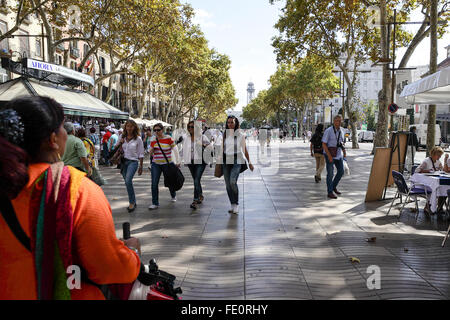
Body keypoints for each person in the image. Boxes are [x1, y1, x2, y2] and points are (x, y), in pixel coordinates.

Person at [0, 97, 141, 300]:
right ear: (53, 140)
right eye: (63, 128)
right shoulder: (76, 190)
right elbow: (110, 268)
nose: (67, 133)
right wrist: (131, 253)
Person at [219, 116, 254, 214]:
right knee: (227, 185)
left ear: (236, 123)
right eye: (228, 122)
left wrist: (249, 162)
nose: (230, 124)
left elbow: (244, 149)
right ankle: (232, 204)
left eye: (232, 122)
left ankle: (237, 204)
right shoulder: (225, 134)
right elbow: (222, 147)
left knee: (232, 181)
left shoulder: (240, 134)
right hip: (226, 160)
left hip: (237, 159)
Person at [148, 123, 181, 210]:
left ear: (162, 130)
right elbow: (150, 153)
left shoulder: (168, 138)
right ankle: (155, 203)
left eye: (158, 130)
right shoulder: (153, 139)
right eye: (154, 130)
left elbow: (176, 150)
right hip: (156, 164)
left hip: (167, 164)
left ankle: (173, 195)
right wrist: (151, 150)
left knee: (170, 181)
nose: (156, 132)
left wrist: (177, 161)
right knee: (154, 183)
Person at [116, 120, 145, 213]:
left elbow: (141, 153)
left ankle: (131, 203)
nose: (129, 128)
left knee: (128, 181)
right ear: (125, 127)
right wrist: (120, 142)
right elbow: (115, 148)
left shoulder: (138, 139)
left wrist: (141, 166)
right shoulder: (122, 136)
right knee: (127, 183)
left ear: (134, 128)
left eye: (131, 126)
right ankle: (133, 201)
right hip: (123, 162)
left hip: (133, 162)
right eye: (127, 126)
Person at [184, 121, 211, 210]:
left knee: (196, 180)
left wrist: (202, 144)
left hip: (201, 162)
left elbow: (210, 147)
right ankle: (200, 195)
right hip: (191, 162)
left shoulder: (202, 137)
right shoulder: (187, 138)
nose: (190, 129)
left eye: (192, 127)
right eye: (189, 127)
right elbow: (185, 150)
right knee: (196, 180)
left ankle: (195, 201)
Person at [322, 115, 346, 199]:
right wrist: (329, 156)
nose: (339, 122)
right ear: (334, 121)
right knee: (330, 173)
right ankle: (330, 192)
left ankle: (333, 186)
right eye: (337, 121)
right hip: (329, 154)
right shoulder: (328, 131)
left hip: (338, 154)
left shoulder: (342, 131)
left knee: (341, 171)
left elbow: (341, 143)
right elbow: (324, 144)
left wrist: (344, 151)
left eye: (340, 121)